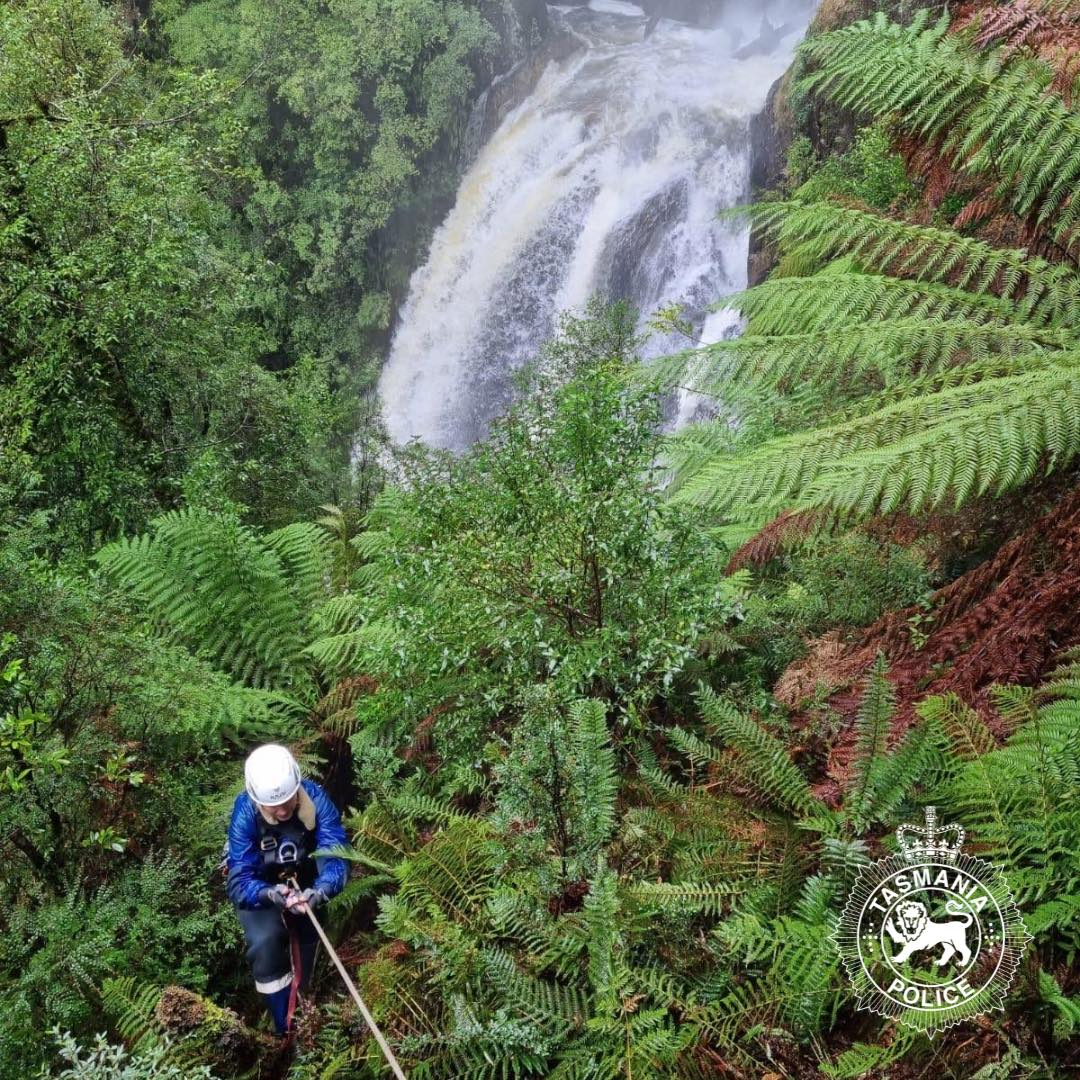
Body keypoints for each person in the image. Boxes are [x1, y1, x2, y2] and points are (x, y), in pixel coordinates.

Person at [225, 744, 348, 1035]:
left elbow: (336, 855)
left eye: (288, 801)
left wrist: (320, 891)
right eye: (272, 805)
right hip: (261, 887)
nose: (282, 810)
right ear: (257, 800)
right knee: (265, 941)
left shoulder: (317, 801)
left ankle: (306, 1009)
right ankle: (284, 1026)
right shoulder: (245, 815)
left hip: (307, 880)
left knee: (309, 930)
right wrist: (270, 894)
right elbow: (239, 878)